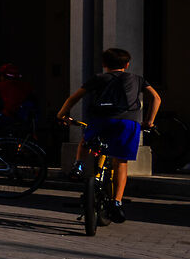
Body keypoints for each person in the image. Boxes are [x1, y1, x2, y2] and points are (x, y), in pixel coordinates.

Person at [55, 47, 163, 222]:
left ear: (104, 64)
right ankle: (117, 202)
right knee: (120, 161)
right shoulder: (138, 79)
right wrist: (149, 121)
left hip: (101, 119)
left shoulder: (99, 78)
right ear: (127, 64)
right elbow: (156, 98)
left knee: (86, 141)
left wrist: (61, 114)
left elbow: (74, 97)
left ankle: (79, 165)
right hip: (128, 122)